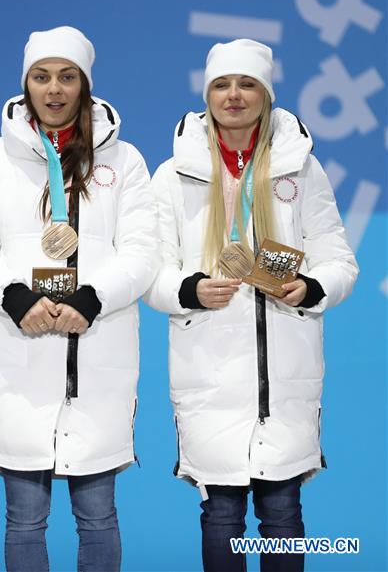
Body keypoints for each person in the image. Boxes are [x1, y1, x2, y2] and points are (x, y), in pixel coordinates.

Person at [144, 38, 359, 571]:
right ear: (206, 93)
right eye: (222, 84)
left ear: (266, 94)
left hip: (284, 378)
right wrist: (189, 290)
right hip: (209, 375)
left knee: (283, 513)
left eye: (246, 84)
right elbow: (149, 272)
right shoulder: (172, 176)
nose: (234, 95)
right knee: (221, 515)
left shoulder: (301, 171)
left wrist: (308, 288)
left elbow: (340, 261)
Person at [0, 26, 158, 572]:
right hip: (20, 353)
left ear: (85, 86)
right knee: (24, 519)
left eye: (67, 77)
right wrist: (16, 299)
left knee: (98, 517)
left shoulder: (126, 162)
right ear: (25, 86)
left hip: (98, 356)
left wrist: (92, 300)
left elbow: (141, 252)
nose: (54, 89)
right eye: (41, 77)